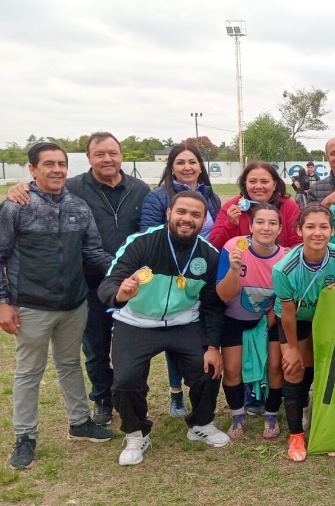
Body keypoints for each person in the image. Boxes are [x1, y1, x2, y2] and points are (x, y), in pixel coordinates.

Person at [2, 132, 150, 426]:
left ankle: (115, 405)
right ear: (89, 158)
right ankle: (99, 402)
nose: (107, 159)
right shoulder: (65, 191)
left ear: (120, 155)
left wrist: (127, 276)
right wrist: (18, 190)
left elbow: (100, 245)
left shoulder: (136, 189)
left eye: (113, 153)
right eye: (100, 154)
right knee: (91, 350)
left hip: (115, 288)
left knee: (122, 349)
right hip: (73, 290)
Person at [0, 142, 116, 470]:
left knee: (69, 365)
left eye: (62, 163)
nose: (57, 170)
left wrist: (122, 271)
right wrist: (2, 303)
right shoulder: (15, 206)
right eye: (48, 164)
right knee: (28, 372)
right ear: (32, 169)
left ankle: (79, 423)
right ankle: (25, 436)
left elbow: (93, 252)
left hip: (74, 304)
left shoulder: (79, 206)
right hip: (31, 306)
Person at [99, 191, 230, 465]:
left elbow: (212, 305)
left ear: (204, 219)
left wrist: (212, 346)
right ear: (169, 213)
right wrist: (121, 293)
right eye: (181, 212)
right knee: (125, 380)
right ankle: (136, 433)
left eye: (196, 215)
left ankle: (201, 424)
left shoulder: (208, 254)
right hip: (137, 322)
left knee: (208, 367)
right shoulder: (141, 243)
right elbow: (109, 283)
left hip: (184, 322)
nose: (187, 219)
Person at [140, 143, 222, 417]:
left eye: (192, 162)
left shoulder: (210, 196)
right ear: (171, 167)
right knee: (174, 331)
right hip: (172, 274)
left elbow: (216, 234)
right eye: (180, 162)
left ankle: (197, 388)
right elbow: (149, 235)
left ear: (201, 166)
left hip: (203, 272)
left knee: (195, 331)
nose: (187, 167)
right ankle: (176, 393)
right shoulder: (158, 197)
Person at [272, 205, 335, 461]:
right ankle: (296, 435)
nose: (317, 233)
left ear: (333, 230)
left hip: (328, 320)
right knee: (294, 369)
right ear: (299, 230)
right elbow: (287, 311)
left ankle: (327, 428)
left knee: (330, 370)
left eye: (324, 227)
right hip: (297, 321)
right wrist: (293, 347)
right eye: (310, 226)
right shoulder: (284, 268)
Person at [216, 204, 288, 441]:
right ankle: (238, 416)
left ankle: (271, 414)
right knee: (233, 370)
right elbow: (224, 295)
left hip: (268, 320)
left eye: (272, 223)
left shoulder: (285, 257)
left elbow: (284, 296)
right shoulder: (233, 247)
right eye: (260, 222)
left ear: (280, 228)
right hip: (233, 319)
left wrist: (267, 320)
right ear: (250, 225)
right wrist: (234, 269)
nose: (266, 227)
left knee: (276, 367)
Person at [209, 161, 302, 249]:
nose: (258, 186)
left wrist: (289, 256)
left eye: (264, 182)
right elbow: (215, 247)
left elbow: (299, 244)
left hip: (281, 264)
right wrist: (230, 225)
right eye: (252, 181)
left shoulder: (288, 206)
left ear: (274, 184)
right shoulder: (232, 207)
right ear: (245, 184)